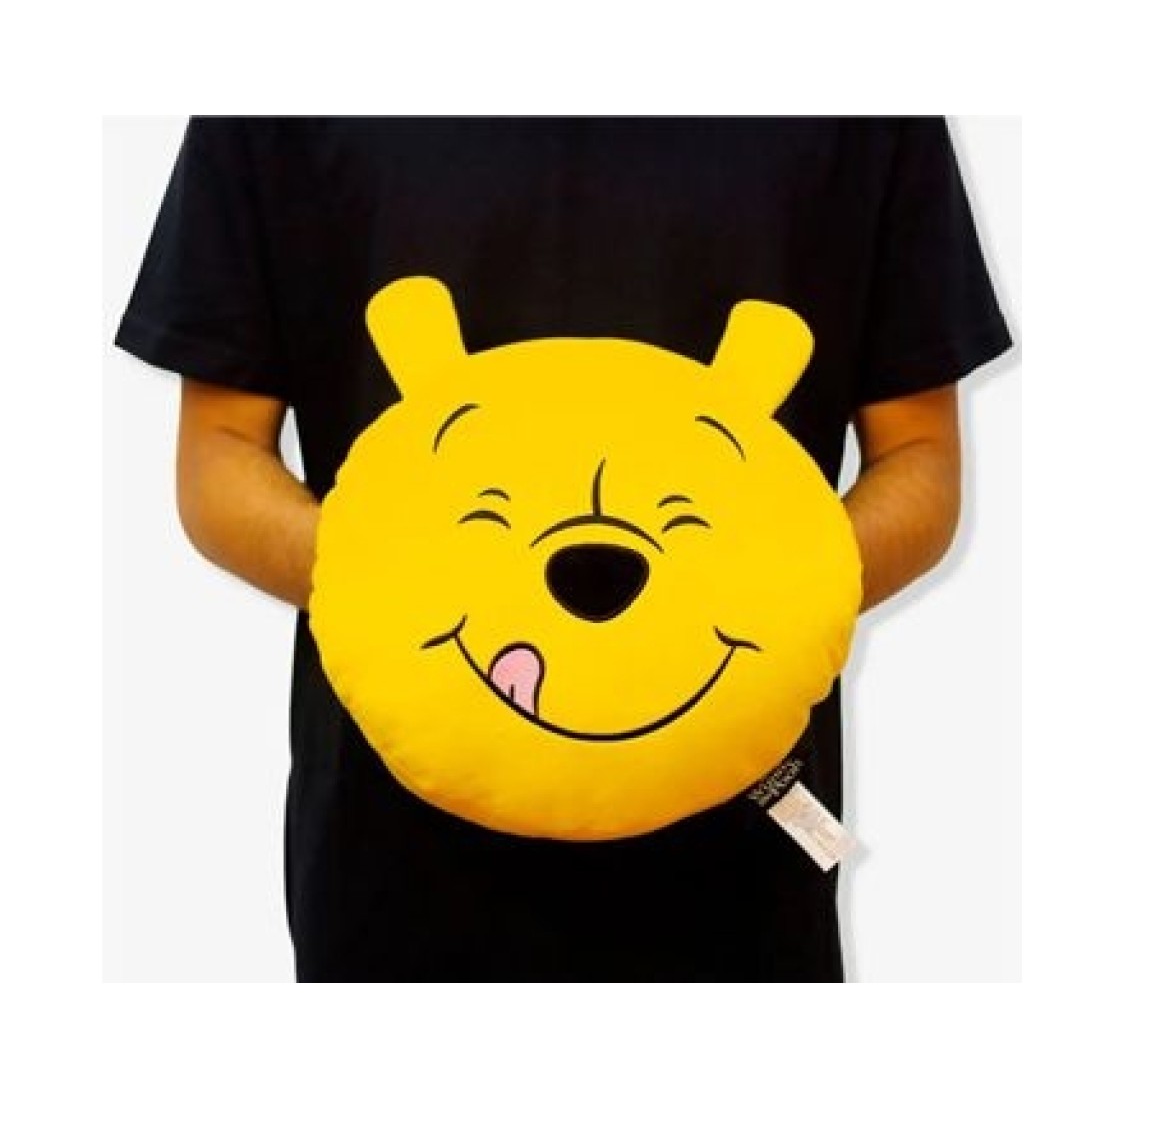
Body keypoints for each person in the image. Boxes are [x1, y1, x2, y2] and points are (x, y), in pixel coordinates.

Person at [115, 116, 1012, 982]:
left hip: (741, 874)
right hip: (388, 868)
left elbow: (919, 458)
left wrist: (760, 604)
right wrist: (399, 594)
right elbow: (218, 456)